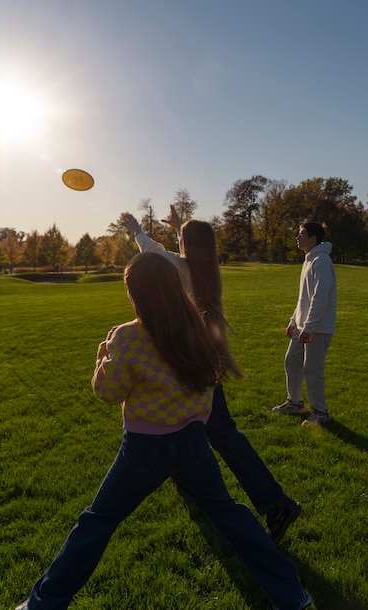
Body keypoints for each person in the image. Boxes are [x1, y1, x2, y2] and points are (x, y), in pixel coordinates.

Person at [16, 253, 311, 610]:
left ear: (136, 294)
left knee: (95, 523)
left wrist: (103, 357)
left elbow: (107, 394)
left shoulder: (127, 337)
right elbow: (207, 391)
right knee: (231, 516)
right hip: (193, 444)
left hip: (143, 450)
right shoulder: (198, 330)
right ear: (174, 287)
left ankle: (43, 604)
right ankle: (292, 595)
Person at [122, 208, 301, 542]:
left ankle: (276, 503)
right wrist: (180, 228)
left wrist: (136, 229)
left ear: (188, 246)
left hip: (187, 361)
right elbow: (180, 254)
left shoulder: (177, 266)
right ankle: (198, 487)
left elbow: (157, 254)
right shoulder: (206, 271)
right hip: (204, 357)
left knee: (216, 431)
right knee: (201, 429)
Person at [272, 222, 337, 426]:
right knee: (292, 360)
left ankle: (320, 413)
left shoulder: (321, 260)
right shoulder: (309, 260)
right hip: (303, 326)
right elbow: (304, 298)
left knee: (312, 369)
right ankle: (295, 403)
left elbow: (320, 296)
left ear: (313, 238)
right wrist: (294, 321)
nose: (297, 238)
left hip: (317, 327)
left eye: (302, 234)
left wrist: (309, 327)